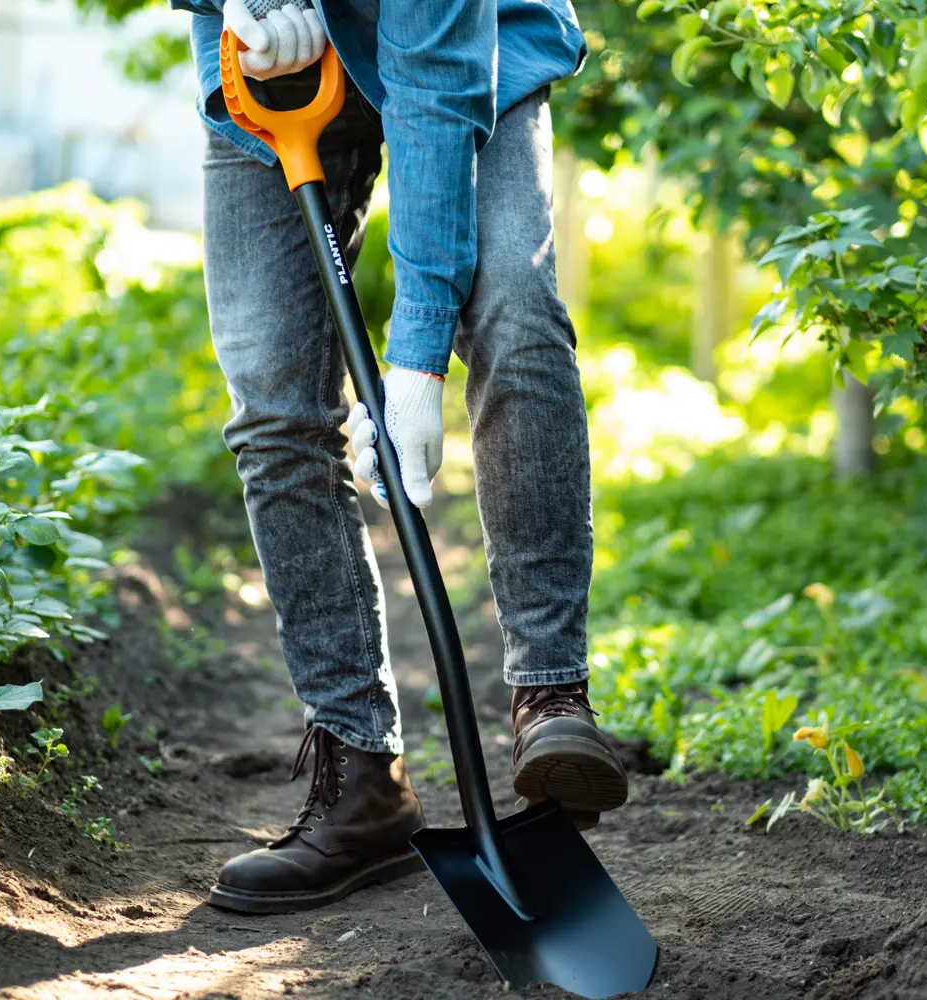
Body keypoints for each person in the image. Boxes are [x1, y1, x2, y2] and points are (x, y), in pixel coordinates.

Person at [168, 0, 630, 915]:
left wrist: (414, 365)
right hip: (266, 81)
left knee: (515, 312)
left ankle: (550, 698)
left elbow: (435, 88)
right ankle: (359, 774)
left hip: (465, 58)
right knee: (273, 403)